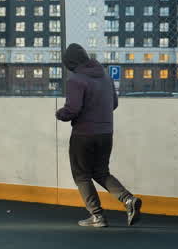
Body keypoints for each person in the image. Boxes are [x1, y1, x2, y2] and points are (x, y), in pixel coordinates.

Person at [55, 43, 142, 228]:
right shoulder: (105, 77)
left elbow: (73, 109)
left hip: (84, 134)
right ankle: (128, 199)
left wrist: (60, 114)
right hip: (105, 133)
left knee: (82, 175)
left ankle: (97, 216)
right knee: (101, 172)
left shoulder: (76, 80)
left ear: (70, 63)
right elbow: (114, 104)